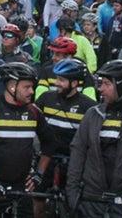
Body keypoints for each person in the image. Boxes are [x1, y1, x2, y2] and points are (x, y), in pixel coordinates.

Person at [66, 60, 122, 218]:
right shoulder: (92, 114)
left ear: (121, 85)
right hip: (90, 200)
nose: (100, 89)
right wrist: (72, 190)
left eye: (107, 84)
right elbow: (78, 152)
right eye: (101, 83)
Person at [0, 61, 41, 218]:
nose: (32, 91)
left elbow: (51, 142)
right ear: (12, 87)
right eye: (26, 87)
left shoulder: (33, 111)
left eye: (32, 87)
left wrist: (39, 174)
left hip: (20, 188)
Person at [34, 58, 97, 194]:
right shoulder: (46, 98)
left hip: (73, 162)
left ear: (74, 83)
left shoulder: (89, 106)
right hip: (46, 158)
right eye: (57, 79)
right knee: (37, 198)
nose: (57, 83)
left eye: (61, 80)